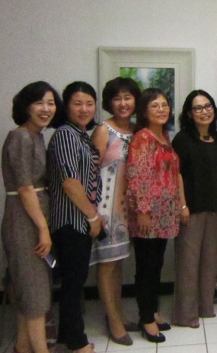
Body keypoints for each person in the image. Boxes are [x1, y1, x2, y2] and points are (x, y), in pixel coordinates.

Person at [1, 81, 61, 353]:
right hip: (25, 221)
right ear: (26, 106)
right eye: (39, 103)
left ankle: (22, 347)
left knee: (32, 287)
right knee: (34, 290)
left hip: (36, 217)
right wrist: (43, 229)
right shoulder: (21, 138)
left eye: (51, 103)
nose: (46, 109)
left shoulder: (37, 136)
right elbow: (25, 188)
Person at [47, 81, 103, 353]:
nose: (84, 109)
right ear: (66, 106)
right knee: (73, 282)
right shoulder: (65, 135)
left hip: (79, 219)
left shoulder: (80, 135)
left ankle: (65, 338)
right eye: (77, 103)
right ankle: (78, 342)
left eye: (89, 104)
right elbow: (70, 182)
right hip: (71, 221)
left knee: (75, 280)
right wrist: (92, 217)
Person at [126, 88, 185, 343]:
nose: (161, 109)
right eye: (155, 106)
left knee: (156, 265)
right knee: (147, 267)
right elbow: (137, 176)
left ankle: (152, 312)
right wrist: (142, 211)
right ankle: (146, 319)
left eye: (164, 105)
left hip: (165, 214)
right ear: (144, 111)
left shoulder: (164, 136)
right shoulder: (142, 137)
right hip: (148, 215)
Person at [89, 77, 141, 345]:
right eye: (117, 98)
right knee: (107, 265)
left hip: (127, 211)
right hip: (105, 209)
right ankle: (112, 321)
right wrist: (92, 213)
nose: (123, 103)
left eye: (128, 97)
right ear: (110, 102)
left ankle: (118, 314)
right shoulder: (103, 130)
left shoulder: (137, 129)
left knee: (119, 263)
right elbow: (90, 173)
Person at [171, 90, 217, 328]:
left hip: (214, 208)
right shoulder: (182, 139)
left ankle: (205, 307)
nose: (204, 111)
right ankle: (186, 315)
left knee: (209, 261)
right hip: (190, 210)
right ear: (189, 113)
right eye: (198, 108)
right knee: (188, 263)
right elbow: (176, 174)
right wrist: (182, 205)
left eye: (208, 106)